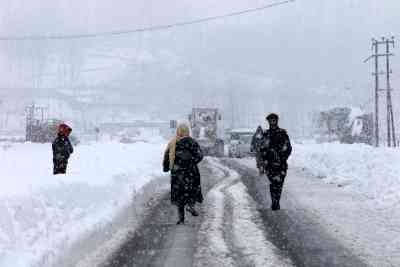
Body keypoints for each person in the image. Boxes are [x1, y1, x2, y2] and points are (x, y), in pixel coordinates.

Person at [163, 123, 204, 224]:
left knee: (179, 195)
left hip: (177, 172)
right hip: (191, 172)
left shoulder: (173, 143)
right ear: (187, 131)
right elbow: (200, 155)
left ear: (178, 131)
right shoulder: (192, 142)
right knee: (192, 190)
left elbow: (167, 155)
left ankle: (181, 219)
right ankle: (191, 205)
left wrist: (166, 167)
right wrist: (191, 162)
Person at [260, 113, 292, 210]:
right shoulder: (266, 134)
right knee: (273, 182)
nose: (272, 122)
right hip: (270, 165)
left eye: (274, 120)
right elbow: (262, 149)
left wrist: (282, 158)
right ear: (269, 122)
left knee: (279, 183)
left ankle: (276, 200)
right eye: (271, 120)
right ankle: (274, 201)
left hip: (281, 164)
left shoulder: (282, 133)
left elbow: (288, 148)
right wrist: (265, 159)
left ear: (277, 121)